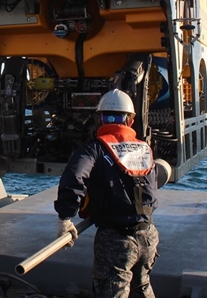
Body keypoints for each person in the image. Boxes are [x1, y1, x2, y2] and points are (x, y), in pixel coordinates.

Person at [54, 89, 159, 298]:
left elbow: (74, 176)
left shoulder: (95, 149)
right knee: (142, 288)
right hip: (149, 235)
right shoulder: (145, 148)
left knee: (111, 291)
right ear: (130, 121)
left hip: (116, 239)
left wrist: (65, 217)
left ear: (100, 119)